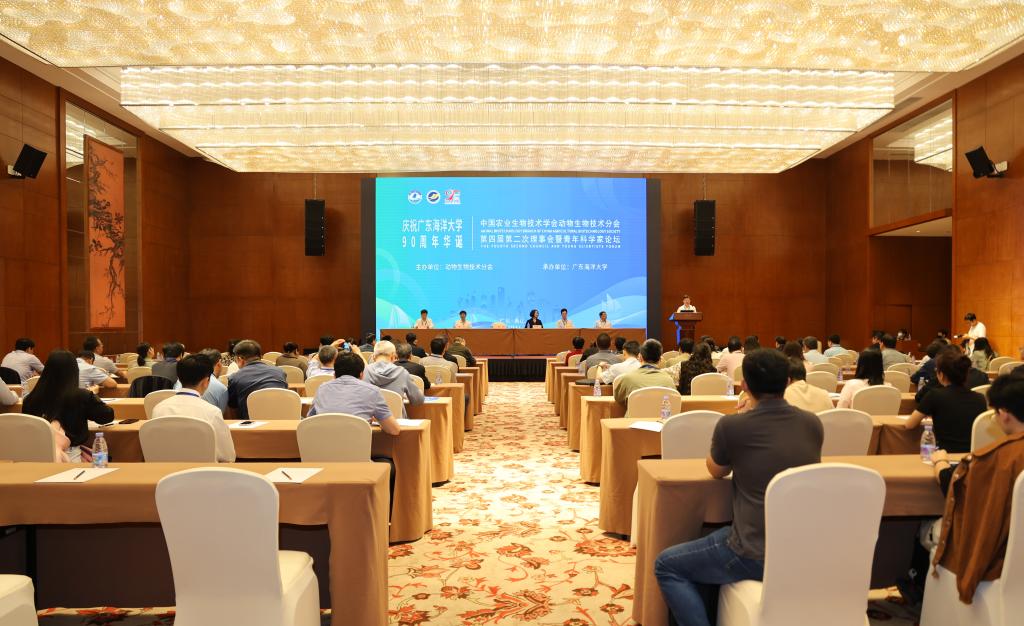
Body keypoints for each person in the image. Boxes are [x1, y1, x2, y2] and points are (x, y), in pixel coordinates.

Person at [655, 349, 823, 626]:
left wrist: (743, 416)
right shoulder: (812, 423)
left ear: (744, 385)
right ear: (788, 382)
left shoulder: (733, 425)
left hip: (752, 550)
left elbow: (716, 469)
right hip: (801, 546)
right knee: (716, 538)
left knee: (667, 565)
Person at [307, 353, 399, 512]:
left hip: (320, 460)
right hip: (358, 462)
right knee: (389, 465)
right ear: (362, 374)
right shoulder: (372, 391)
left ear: (334, 374)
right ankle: (383, 517)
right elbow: (394, 429)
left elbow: (310, 421)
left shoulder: (322, 388)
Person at [23, 349, 114, 462]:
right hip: (70, 456)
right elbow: (107, 416)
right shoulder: (82, 396)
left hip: (34, 456)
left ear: (47, 370)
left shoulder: (30, 399)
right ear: (74, 371)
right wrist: (92, 396)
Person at [153, 355, 235, 462]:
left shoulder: (158, 408)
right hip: (203, 471)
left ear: (179, 378)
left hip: (165, 470)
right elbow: (228, 456)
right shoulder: (212, 412)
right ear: (206, 381)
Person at [906, 348, 988, 453]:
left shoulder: (935, 395)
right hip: (972, 456)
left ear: (941, 375)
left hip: (944, 455)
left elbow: (910, 425)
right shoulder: (980, 398)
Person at [227, 340, 288, 420]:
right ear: (260, 356)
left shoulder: (234, 378)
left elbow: (232, 405)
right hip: (281, 421)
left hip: (250, 424)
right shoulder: (280, 372)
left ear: (240, 359)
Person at [364, 340, 424, 414]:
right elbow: (418, 400)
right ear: (393, 356)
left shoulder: (364, 372)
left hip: (370, 418)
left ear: (373, 356)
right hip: (397, 419)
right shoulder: (402, 372)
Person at [613, 339, 675, 406]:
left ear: (640, 357)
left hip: (634, 413)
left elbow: (618, 398)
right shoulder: (669, 380)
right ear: (660, 360)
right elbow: (673, 402)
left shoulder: (627, 378)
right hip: (660, 413)